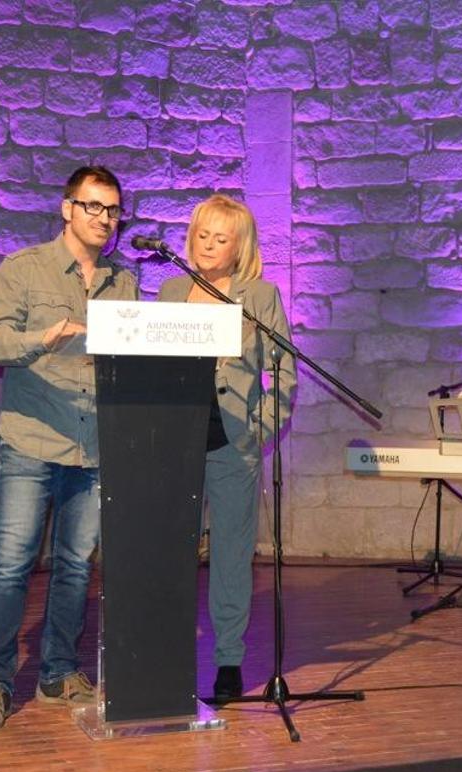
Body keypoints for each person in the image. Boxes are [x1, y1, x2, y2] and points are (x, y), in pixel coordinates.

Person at [0, 166, 139, 732]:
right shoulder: (23, 268)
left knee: (74, 567)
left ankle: (58, 672)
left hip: (93, 446)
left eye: (113, 210)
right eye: (93, 206)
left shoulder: (124, 282)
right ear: (67, 208)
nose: (104, 219)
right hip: (31, 439)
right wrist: (44, 337)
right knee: (11, 565)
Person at [156, 194, 296, 703]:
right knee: (171, 553)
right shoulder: (171, 291)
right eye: (202, 235)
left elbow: (284, 374)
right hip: (176, 442)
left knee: (231, 557)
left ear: (241, 247)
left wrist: (260, 430)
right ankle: (168, 653)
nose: (209, 245)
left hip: (233, 442)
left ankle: (228, 660)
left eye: (221, 238)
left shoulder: (259, 297)